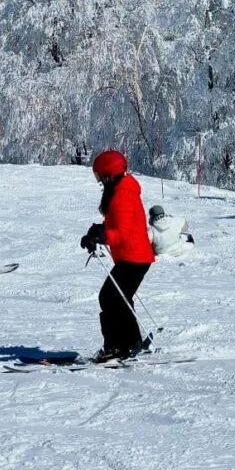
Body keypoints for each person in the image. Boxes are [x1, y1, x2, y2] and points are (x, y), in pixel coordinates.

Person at [80, 150, 155, 362]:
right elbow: (117, 225)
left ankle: (118, 346)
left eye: (99, 176)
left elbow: (121, 233)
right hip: (133, 256)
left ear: (109, 175)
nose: (99, 181)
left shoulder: (123, 195)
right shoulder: (120, 190)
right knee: (118, 298)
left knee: (110, 297)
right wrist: (98, 231)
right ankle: (130, 343)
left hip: (134, 257)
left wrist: (101, 236)